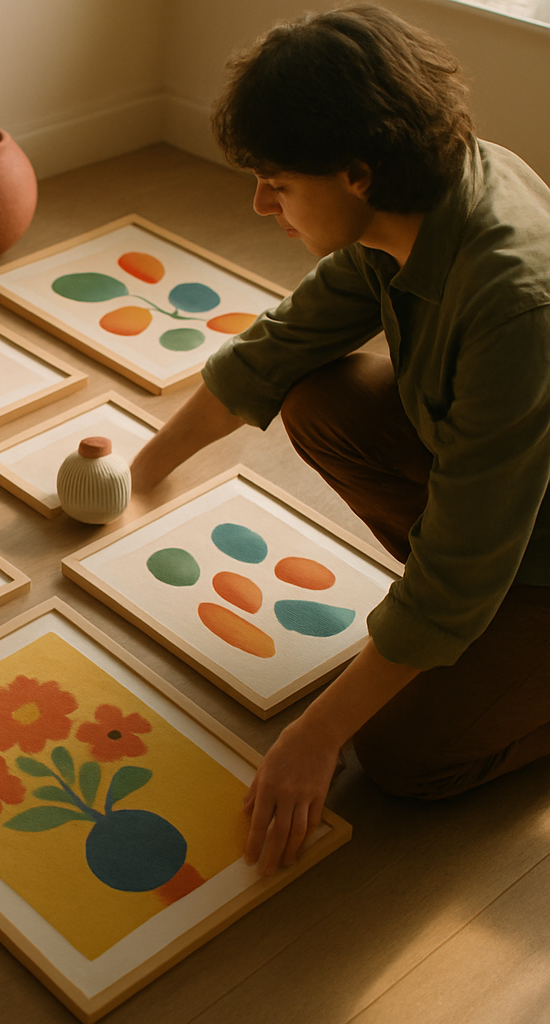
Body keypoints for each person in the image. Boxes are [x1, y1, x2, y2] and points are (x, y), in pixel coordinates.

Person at [130, 3, 550, 877]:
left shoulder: (515, 303)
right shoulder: (418, 196)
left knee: (401, 757)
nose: (260, 203)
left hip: (532, 546)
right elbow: (279, 347)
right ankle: (468, 651)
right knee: (321, 397)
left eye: (277, 183)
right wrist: (142, 472)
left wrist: (315, 734)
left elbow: (462, 569)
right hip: (506, 505)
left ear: (357, 173)